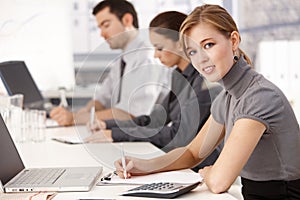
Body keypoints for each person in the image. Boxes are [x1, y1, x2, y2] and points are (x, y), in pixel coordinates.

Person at [114, 4, 300, 199]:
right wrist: (144, 165)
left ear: (233, 40)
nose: (201, 58)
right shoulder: (227, 98)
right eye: (193, 51)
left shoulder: (259, 97)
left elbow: (219, 182)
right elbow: (193, 153)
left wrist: (209, 173)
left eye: (208, 45)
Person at [85, 11, 222, 170]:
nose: (156, 55)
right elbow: (155, 120)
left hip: (200, 168)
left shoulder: (204, 82)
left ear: (180, 43)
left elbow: (177, 135)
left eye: (160, 48)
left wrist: (116, 134)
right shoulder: (179, 75)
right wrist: (109, 126)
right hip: (179, 162)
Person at [50, 0, 170, 126]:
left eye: (106, 25)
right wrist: (81, 113)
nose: (102, 34)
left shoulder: (146, 58)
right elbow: (101, 100)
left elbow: (129, 114)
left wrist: (74, 118)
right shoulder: (122, 61)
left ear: (127, 20)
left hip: (149, 140)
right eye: (100, 28)